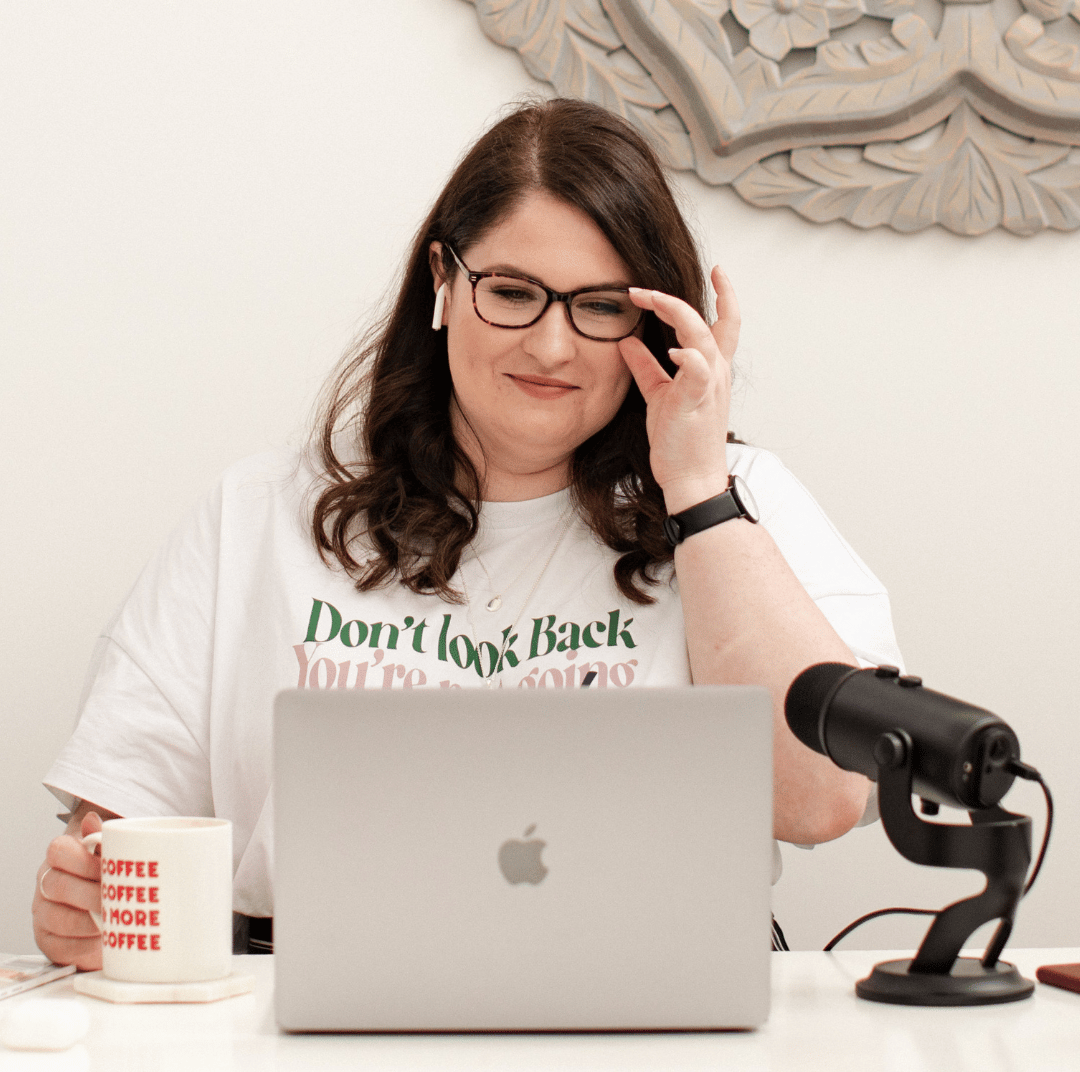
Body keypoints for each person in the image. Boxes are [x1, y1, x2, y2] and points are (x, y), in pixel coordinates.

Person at [32, 98, 901, 968]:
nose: (553, 347)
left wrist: (699, 492)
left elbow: (824, 795)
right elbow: (121, 829)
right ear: (444, 283)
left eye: (599, 306)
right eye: (514, 293)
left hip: (660, 998)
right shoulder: (259, 513)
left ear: (658, 323)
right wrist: (87, 900)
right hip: (311, 1000)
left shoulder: (742, 502)